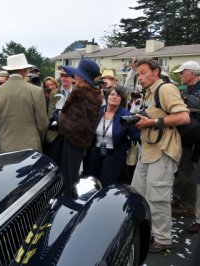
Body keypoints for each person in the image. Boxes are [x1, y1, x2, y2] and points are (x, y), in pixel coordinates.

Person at [130, 58, 190, 253]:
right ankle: (146, 231)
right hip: (148, 150)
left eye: (143, 73)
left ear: (155, 72)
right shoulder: (150, 92)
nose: (140, 77)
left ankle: (163, 239)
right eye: (138, 74)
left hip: (163, 150)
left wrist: (152, 122)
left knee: (157, 197)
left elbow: (183, 117)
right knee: (138, 192)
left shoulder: (164, 89)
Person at [57, 59, 103, 195]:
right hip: (80, 142)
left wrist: (58, 117)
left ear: (82, 78)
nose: (74, 76)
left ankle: (66, 206)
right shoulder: (94, 94)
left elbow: (73, 125)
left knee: (68, 177)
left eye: (77, 74)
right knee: (70, 175)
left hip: (73, 141)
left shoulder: (81, 94)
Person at [0, 53, 48, 153]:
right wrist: (39, 139)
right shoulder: (36, 91)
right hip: (32, 146)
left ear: (8, 70)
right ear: (23, 70)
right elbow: (42, 123)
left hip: (6, 146)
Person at [86, 86, 140, 186]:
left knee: (106, 183)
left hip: (114, 155)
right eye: (112, 94)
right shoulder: (98, 111)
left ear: (122, 99)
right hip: (96, 153)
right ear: (107, 97)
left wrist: (149, 126)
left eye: (118, 95)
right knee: (91, 181)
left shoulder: (126, 115)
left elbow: (135, 135)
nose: (114, 97)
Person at [171, 61, 200, 230]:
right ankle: (182, 201)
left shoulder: (192, 91)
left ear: (193, 73)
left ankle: (188, 206)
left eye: (182, 73)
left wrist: (179, 96)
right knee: (182, 171)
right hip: (187, 138)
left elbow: (195, 104)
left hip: (196, 139)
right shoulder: (189, 89)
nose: (180, 75)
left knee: (189, 174)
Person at [44, 66, 75, 164]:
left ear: (72, 78)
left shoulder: (78, 92)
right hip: (56, 133)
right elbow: (51, 113)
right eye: (62, 76)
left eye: (66, 76)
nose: (64, 78)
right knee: (54, 161)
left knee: (68, 163)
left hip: (71, 133)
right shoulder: (54, 92)